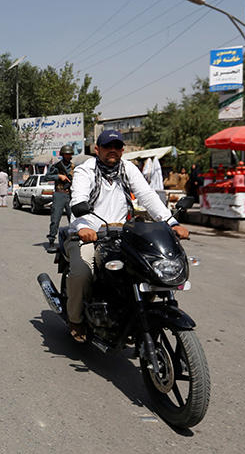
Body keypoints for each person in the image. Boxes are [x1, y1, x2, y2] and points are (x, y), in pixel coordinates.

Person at [65, 130, 190, 343]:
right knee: (81, 272)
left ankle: (135, 313)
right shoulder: (86, 170)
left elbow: (147, 196)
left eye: (117, 146)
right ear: (97, 150)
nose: (112, 150)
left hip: (122, 234)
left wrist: (171, 222)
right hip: (89, 233)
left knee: (146, 267)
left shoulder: (128, 168)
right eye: (107, 146)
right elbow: (79, 199)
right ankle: (75, 320)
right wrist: (84, 228)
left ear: (122, 149)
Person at [44, 145, 74, 253]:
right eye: (66, 154)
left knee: (73, 219)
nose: (68, 156)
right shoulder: (56, 166)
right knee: (55, 219)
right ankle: (51, 240)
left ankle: (73, 240)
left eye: (70, 154)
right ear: (62, 155)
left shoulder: (73, 167)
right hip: (59, 194)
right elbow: (46, 177)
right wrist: (59, 177)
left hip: (70, 194)